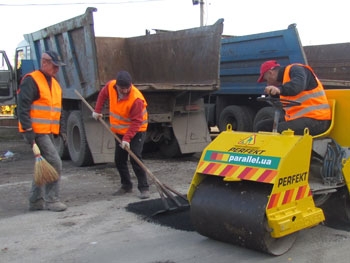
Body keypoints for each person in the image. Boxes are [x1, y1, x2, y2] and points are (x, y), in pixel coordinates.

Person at [17, 50, 67, 212]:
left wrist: (59, 129)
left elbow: (53, 110)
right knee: (55, 162)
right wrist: (28, 131)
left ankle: (35, 201)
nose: (57, 70)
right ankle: (51, 200)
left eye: (58, 67)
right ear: (44, 62)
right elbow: (22, 108)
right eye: (54, 66)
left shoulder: (54, 84)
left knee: (43, 165)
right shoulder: (32, 81)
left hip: (48, 130)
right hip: (35, 131)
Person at [92, 70, 150, 199]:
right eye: (122, 88)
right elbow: (102, 95)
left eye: (127, 88)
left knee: (135, 158)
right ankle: (126, 186)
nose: (125, 91)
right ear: (117, 86)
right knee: (119, 159)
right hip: (119, 131)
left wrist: (127, 139)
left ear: (131, 85)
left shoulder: (136, 99)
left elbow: (136, 122)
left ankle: (144, 188)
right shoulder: (110, 86)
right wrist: (97, 110)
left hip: (137, 130)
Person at [254, 60, 331, 135]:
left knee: (279, 129)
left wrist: (279, 89)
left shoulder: (297, 69)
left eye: (266, 80)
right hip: (297, 118)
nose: (267, 83)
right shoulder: (284, 82)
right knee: (262, 126)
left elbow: (296, 86)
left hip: (316, 119)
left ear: (270, 73)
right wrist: (274, 94)